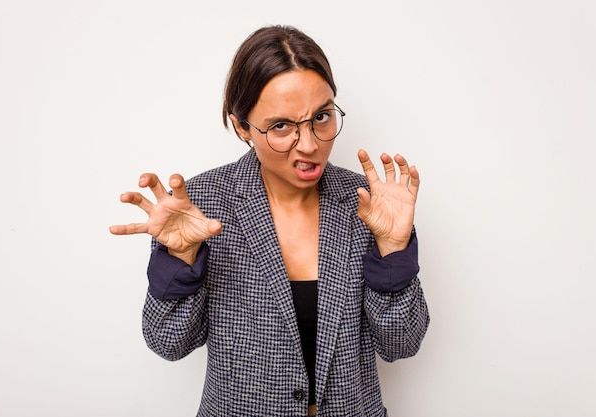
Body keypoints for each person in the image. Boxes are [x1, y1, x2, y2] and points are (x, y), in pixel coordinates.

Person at [110, 25, 429, 417]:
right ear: (242, 127)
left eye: (322, 117)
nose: (310, 144)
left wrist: (394, 250)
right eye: (281, 126)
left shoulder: (367, 204)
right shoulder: (201, 204)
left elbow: (402, 345)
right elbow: (167, 343)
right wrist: (180, 261)